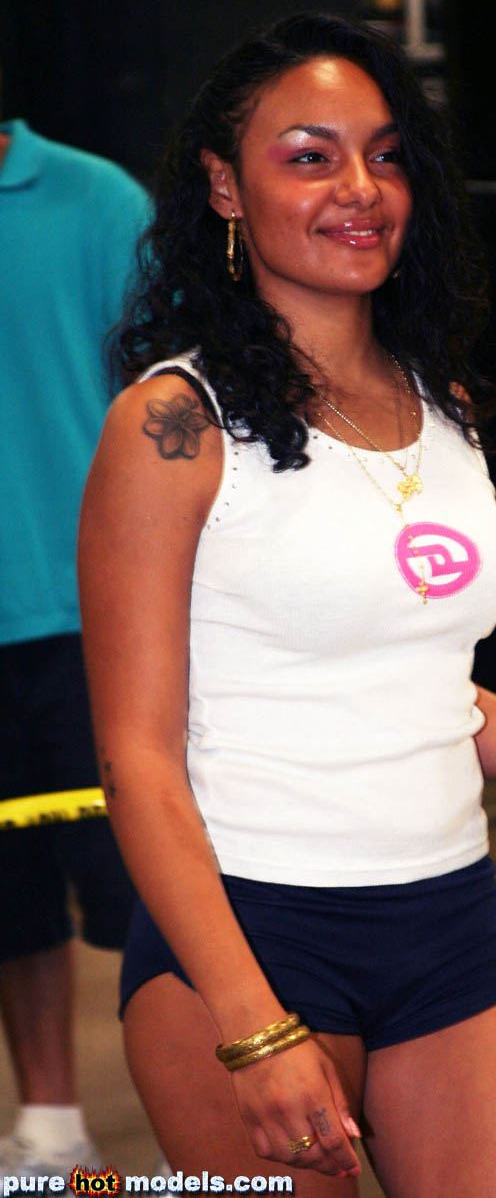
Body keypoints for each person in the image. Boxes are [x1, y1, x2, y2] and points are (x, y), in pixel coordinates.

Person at [78, 14, 496, 1196]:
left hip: (451, 927)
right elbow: (135, 757)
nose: (359, 188)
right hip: (247, 939)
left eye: (387, 155)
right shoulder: (172, 427)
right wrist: (253, 1025)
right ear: (224, 186)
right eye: (310, 156)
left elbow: (415, 690)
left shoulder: (437, 402)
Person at [0, 117, 149, 1178]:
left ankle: (213, 1122)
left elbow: (180, 400)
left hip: (93, 619)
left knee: (154, 896)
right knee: (7, 905)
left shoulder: (97, 201)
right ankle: (49, 1127)